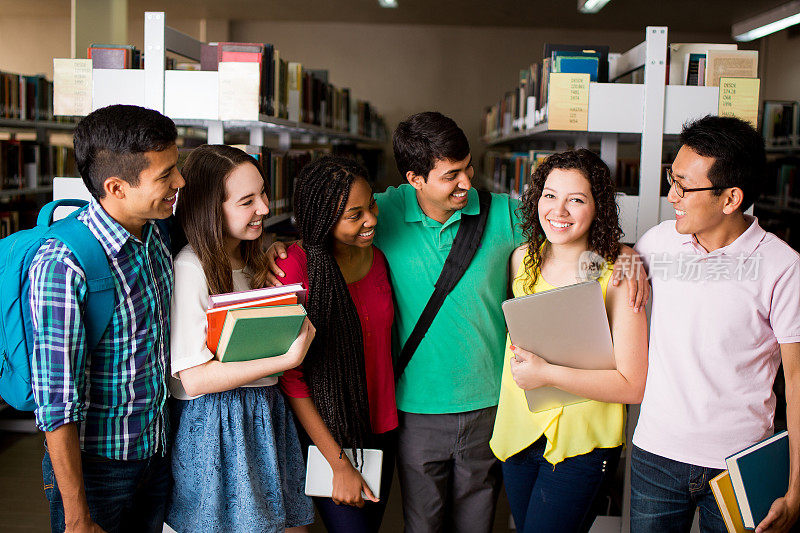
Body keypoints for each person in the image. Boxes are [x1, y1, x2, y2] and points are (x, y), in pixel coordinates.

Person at [268, 112, 648, 533]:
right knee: (422, 525)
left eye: (468, 167)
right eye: (452, 175)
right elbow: (331, 221)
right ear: (415, 178)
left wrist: (626, 252)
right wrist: (279, 246)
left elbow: (567, 228)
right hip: (414, 409)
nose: (467, 182)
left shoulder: (502, 214)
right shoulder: (383, 212)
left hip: (492, 407)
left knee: (476, 523)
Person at [630, 115, 800, 533]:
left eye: (684, 187)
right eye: (672, 180)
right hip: (655, 455)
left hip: (739, 465)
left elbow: (797, 382)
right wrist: (624, 255)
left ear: (730, 198)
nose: (672, 196)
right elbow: (619, 255)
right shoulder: (657, 242)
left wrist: (796, 488)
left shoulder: (782, 267)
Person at [30, 104, 183, 532]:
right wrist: (77, 515)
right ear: (116, 187)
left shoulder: (156, 233)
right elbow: (57, 402)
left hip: (156, 454)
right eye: (166, 175)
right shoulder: (64, 265)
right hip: (96, 472)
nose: (180, 183)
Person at [489, 149, 649, 533]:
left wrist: (546, 373)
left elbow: (632, 386)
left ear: (598, 208)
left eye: (576, 199)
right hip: (519, 436)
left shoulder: (620, 276)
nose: (558, 210)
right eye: (549, 195)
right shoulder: (520, 261)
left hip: (582, 447)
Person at [167, 144, 315, 533]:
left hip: (265, 413)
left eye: (263, 193)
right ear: (209, 209)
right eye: (247, 201)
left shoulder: (252, 259)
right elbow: (194, 378)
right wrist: (286, 359)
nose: (264, 208)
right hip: (218, 426)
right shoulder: (190, 267)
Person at [275, 155, 398, 533]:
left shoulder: (378, 257)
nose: (372, 219)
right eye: (355, 214)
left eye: (372, 205)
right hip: (328, 436)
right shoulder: (295, 267)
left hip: (382, 426)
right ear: (323, 218)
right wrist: (338, 463)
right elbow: (290, 377)